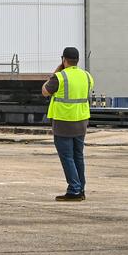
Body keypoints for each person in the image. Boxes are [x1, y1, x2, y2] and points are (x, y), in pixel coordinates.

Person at [40, 46, 94, 202]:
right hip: (81, 121)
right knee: (78, 156)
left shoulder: (60, 77)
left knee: (67, 157)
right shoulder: (87, 76)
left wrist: (55, 73)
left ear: (64, 60)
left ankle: (74, 189)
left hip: (64, 122)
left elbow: (45, 91)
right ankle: (81, 189)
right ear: (77, 60)